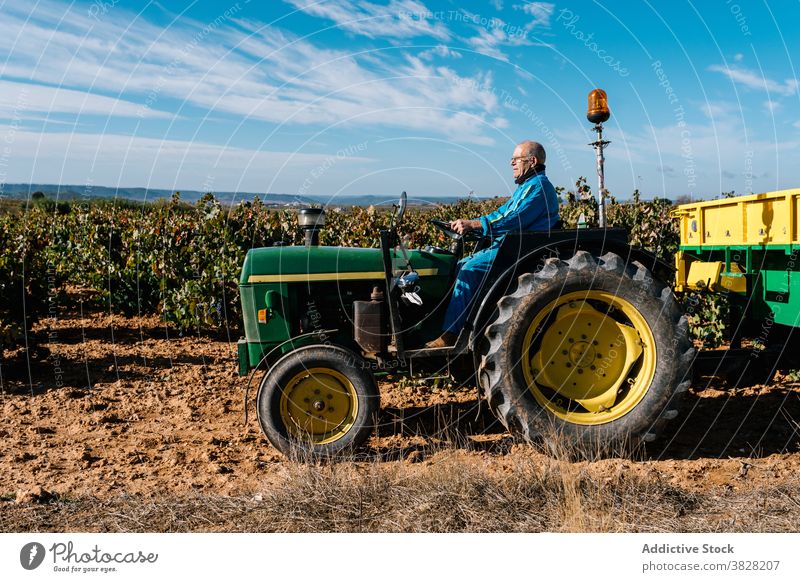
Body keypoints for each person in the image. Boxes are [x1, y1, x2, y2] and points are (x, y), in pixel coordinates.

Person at [426, 140, 560, 348]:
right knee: (461, 264)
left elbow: (512, 219)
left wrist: (474, 224)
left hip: (521, 251)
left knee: (470, 268)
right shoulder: (527, 186)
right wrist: (474, 224)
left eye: (516, 160)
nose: (511, 164)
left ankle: (452, 334)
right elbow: (500, 214)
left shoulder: (538, 187)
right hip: (512, 245)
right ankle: (449, 324)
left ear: (532, 161)